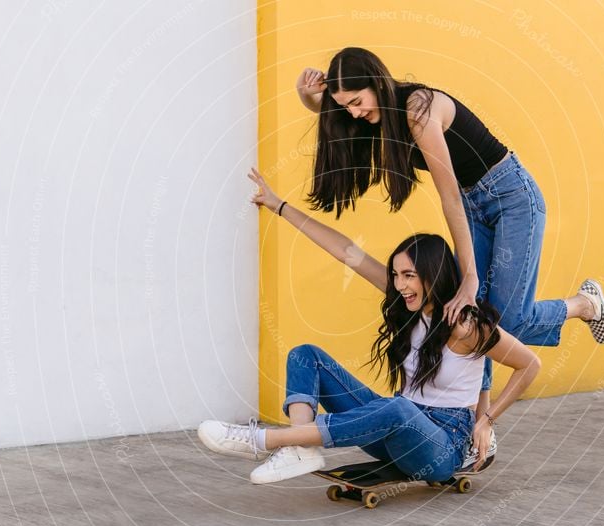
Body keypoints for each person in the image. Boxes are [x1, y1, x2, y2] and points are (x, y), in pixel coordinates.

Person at [295, 47, 604, 413]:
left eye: (356, 101)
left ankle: (584, 305)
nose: (354, 112)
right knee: (471, 319)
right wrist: (304, 91)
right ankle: (478, 418)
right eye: (346, 105)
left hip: (511, 198)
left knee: (507, 321)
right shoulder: (377, 115)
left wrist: (469, 279)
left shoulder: (418, 110)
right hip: (473, 205)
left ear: (376, 83)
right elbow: (331, 115)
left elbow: (448, 199)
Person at [197, 169, 541, 485]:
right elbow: (345, 250)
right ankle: (300, 447)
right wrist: (279, 206)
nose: (400, 284)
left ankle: (261, 440)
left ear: (433, 276)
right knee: (306, 356)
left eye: (409, 275)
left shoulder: (465, 324)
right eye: (395, 274)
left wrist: (486, 419)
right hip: (396, 430)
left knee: (398, 407)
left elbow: (529, 364)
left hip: (442, 447)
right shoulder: (405, 304)